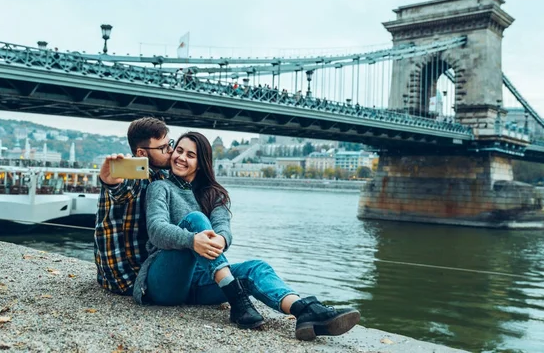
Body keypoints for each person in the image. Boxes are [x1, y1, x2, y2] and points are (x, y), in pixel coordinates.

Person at [134, 131, 360, 341]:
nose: (181, 157)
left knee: (256, 268)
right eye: (179, 151)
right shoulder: (161, 188)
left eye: (190, 155)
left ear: (201, 163)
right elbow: (156, 230)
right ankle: (237, 299)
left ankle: (304, 311)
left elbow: (223, 230)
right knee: (196, 220)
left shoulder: (216, 195)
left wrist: (221, 239)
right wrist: (192, 240)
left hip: (200, 283)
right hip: (164, 282)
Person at [94, 117, 174, 296]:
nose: (171, 151)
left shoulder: (160, 176)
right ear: (142, 153)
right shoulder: (132, 176)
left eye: (170, 144)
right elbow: (123, 191)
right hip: (126, 278)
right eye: (163, 148)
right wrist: (111, 183)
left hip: (134, 271)